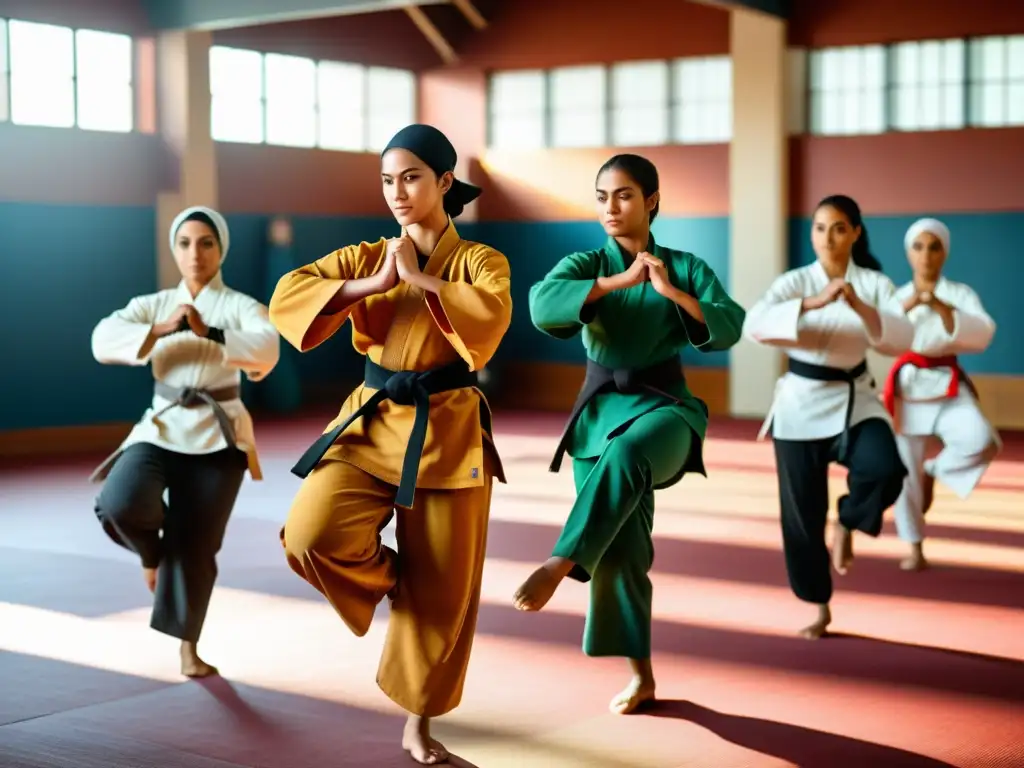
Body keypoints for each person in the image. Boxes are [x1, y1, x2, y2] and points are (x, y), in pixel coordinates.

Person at [268, 124, 512, 765]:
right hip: (373, 419)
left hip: (449, 429)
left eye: (410, 177)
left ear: (444, 182)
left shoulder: (482, 261)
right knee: (310, 534)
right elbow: (288, 296)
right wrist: (372, 285)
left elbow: (487, 317)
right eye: (387, 180)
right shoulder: (366, 255)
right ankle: (396, 582)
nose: (397, 192)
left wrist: (422, 281)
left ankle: (419, 727)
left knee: (445, 595)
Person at [512, 153, 746, 714]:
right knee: (620, 553)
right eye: (601, 197)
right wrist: (617, 281)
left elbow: (729, 322)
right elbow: (543, 305)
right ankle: (641, 676)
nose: (610, 208)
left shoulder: (684, 266)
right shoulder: (587, 262)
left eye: (623, 195)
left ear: (652, 202)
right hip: (597, 417)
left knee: (631, 449)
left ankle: (559, 561)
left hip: (666, 411)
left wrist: (671, 293)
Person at [90, 206, 281, 677]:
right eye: (184, 243)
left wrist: (209, 331)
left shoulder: (239, 305)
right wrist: (159, 329)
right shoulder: (154, 305)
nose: (194, 254)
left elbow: (268, 346)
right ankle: (152, 554)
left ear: (221, 250)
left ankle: (188, 649)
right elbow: (102, 339)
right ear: (174, 249)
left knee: (196, 545)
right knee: (120, 501)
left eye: (206, 243)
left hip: (220, 434)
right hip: (162, 425)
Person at [742, 194, 915, 639]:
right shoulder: (796, 282)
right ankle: (818, 605)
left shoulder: (875, 284)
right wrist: (813, 303)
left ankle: (850, 520)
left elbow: (901, 336)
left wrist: (858, 305)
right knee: (802, 514)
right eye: (819, 228)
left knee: (885, 468)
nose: (828, 237)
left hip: (855, 397)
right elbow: (755, 325)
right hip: (800, 403)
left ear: (856, 232)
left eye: (838, 228)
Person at [882, 218, 999, 571]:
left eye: (934, 247)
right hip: (909, 386)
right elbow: (879, 336)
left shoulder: (960, 294)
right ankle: (914, 545)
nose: (926, 255)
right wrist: (909, 306)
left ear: (944, 253)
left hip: (947, 382)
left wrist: (940, 307)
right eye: (918, 247)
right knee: (906, 472)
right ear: (908, 253)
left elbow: (983, 333)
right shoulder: (896, 297)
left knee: (982, 440)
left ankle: (937, 469)